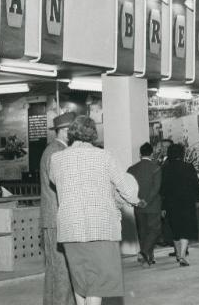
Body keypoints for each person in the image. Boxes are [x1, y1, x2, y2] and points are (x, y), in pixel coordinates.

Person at [50, 116, 146, 305]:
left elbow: (55, 182)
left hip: (70, 228)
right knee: (98, 282)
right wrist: (136, 200)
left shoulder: (56, 159)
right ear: (93, 135)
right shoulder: (104, 156)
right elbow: (124, 186)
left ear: (71, 134)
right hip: (100, 227)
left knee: (80, 280)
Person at [40, 112, 77, 305]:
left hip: (54, 218)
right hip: (57, 219)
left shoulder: (53, 150)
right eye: (73, 130)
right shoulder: (57, 152)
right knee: (61, 270)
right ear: (64, 131)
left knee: (56, 270)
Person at [160, 143, 199, 267]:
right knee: (185, 230)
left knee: (175, 230)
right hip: (187, 203)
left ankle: (177, 254)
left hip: (171, 204)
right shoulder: (189, 167)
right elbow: (196, 184)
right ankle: (182, 255)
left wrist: (163, 207)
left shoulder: (165, 169)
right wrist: (197, 199)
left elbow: (163, 190)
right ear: (182, 154)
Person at [127, 142, 162, 267]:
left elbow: (129, 188)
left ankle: (149, 258)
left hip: (138, 205)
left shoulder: (131, 169)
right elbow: (156, 188)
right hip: (152, 205)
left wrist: (138, 200)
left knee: (143, 232)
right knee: (155, 230)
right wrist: (147, 200)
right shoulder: (156, 167)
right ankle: (144, 253)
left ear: (140, 154)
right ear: (152, 153)